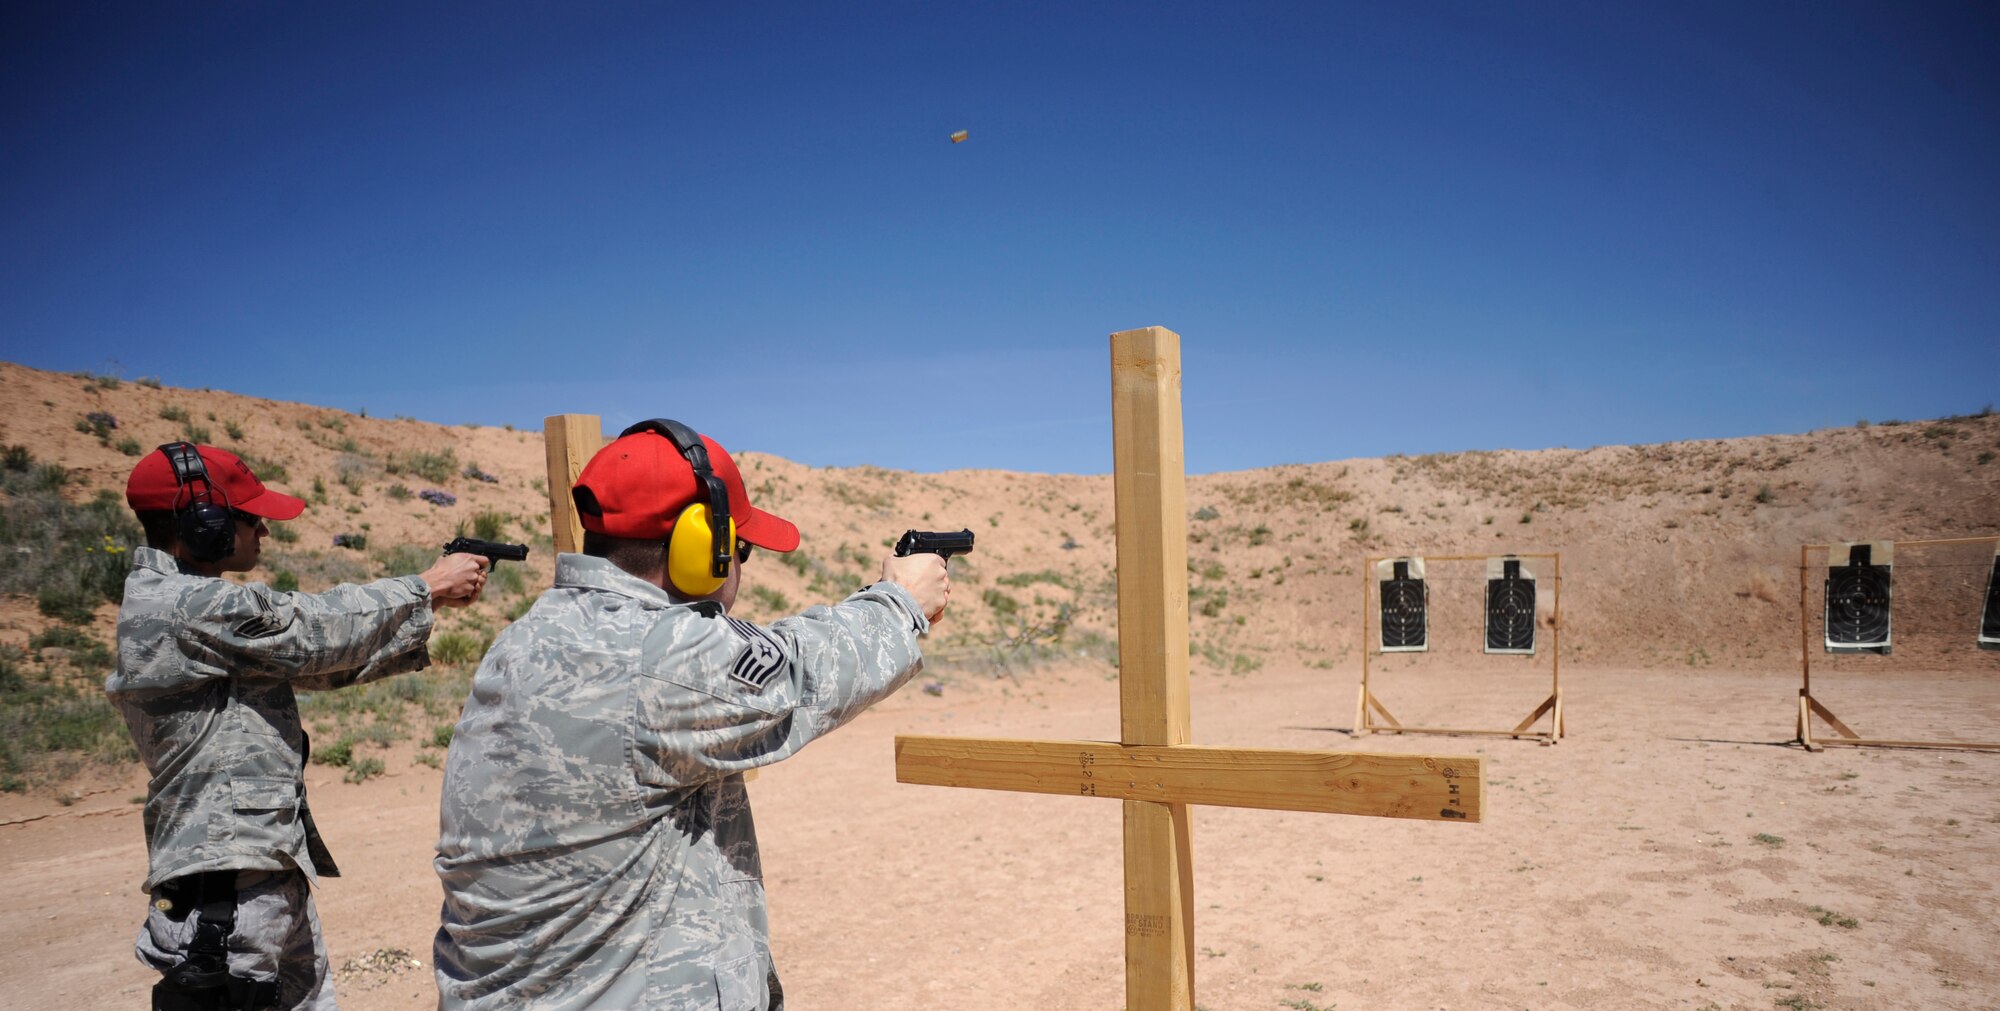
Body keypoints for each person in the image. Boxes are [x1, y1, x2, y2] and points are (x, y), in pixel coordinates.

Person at [432, 419, 950, 1010]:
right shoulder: (652, 657)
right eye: (742, 549)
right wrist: (900, 602)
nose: (740, 566)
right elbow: (802, 672)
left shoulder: (529, 637)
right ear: (702, 547)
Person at [108, 442, 489, 1010]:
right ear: (205, 524)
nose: (263, 530)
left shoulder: (190, 610)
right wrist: (424, 588)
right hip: (224, 893)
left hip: (259, 874)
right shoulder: (180, 605)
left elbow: (316, 662)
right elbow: (306, 627)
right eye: (248, 516)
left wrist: (419, 614)